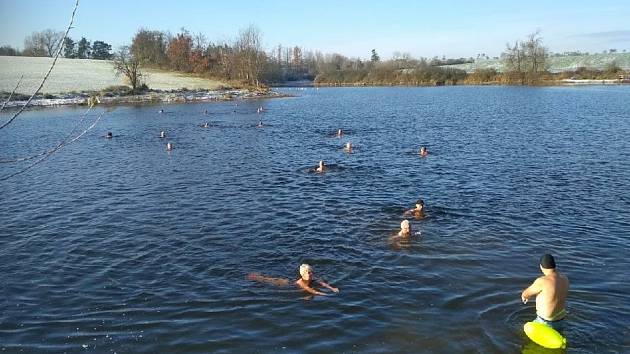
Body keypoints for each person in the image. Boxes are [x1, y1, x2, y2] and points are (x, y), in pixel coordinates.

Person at [521, 254, 569, 330]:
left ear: (541, 267)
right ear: (555, 266)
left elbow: (526, 293)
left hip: (545, 322)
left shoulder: (542, 281)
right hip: (561, 319)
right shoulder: (565, 279)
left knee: (524, 332)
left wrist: (525, 297)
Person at [247, 264, 339, 296]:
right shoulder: (302, 283)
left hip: (290, 281)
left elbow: (323, 284)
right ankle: (255, 277)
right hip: (288, 284)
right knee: (269, 280)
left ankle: (258, 276)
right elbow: (312, 291)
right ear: (303, 274)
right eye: (308, 273)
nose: (311, 274)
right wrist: (326, 294)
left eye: (311, 272)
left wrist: (332, 288)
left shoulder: (312, 278)